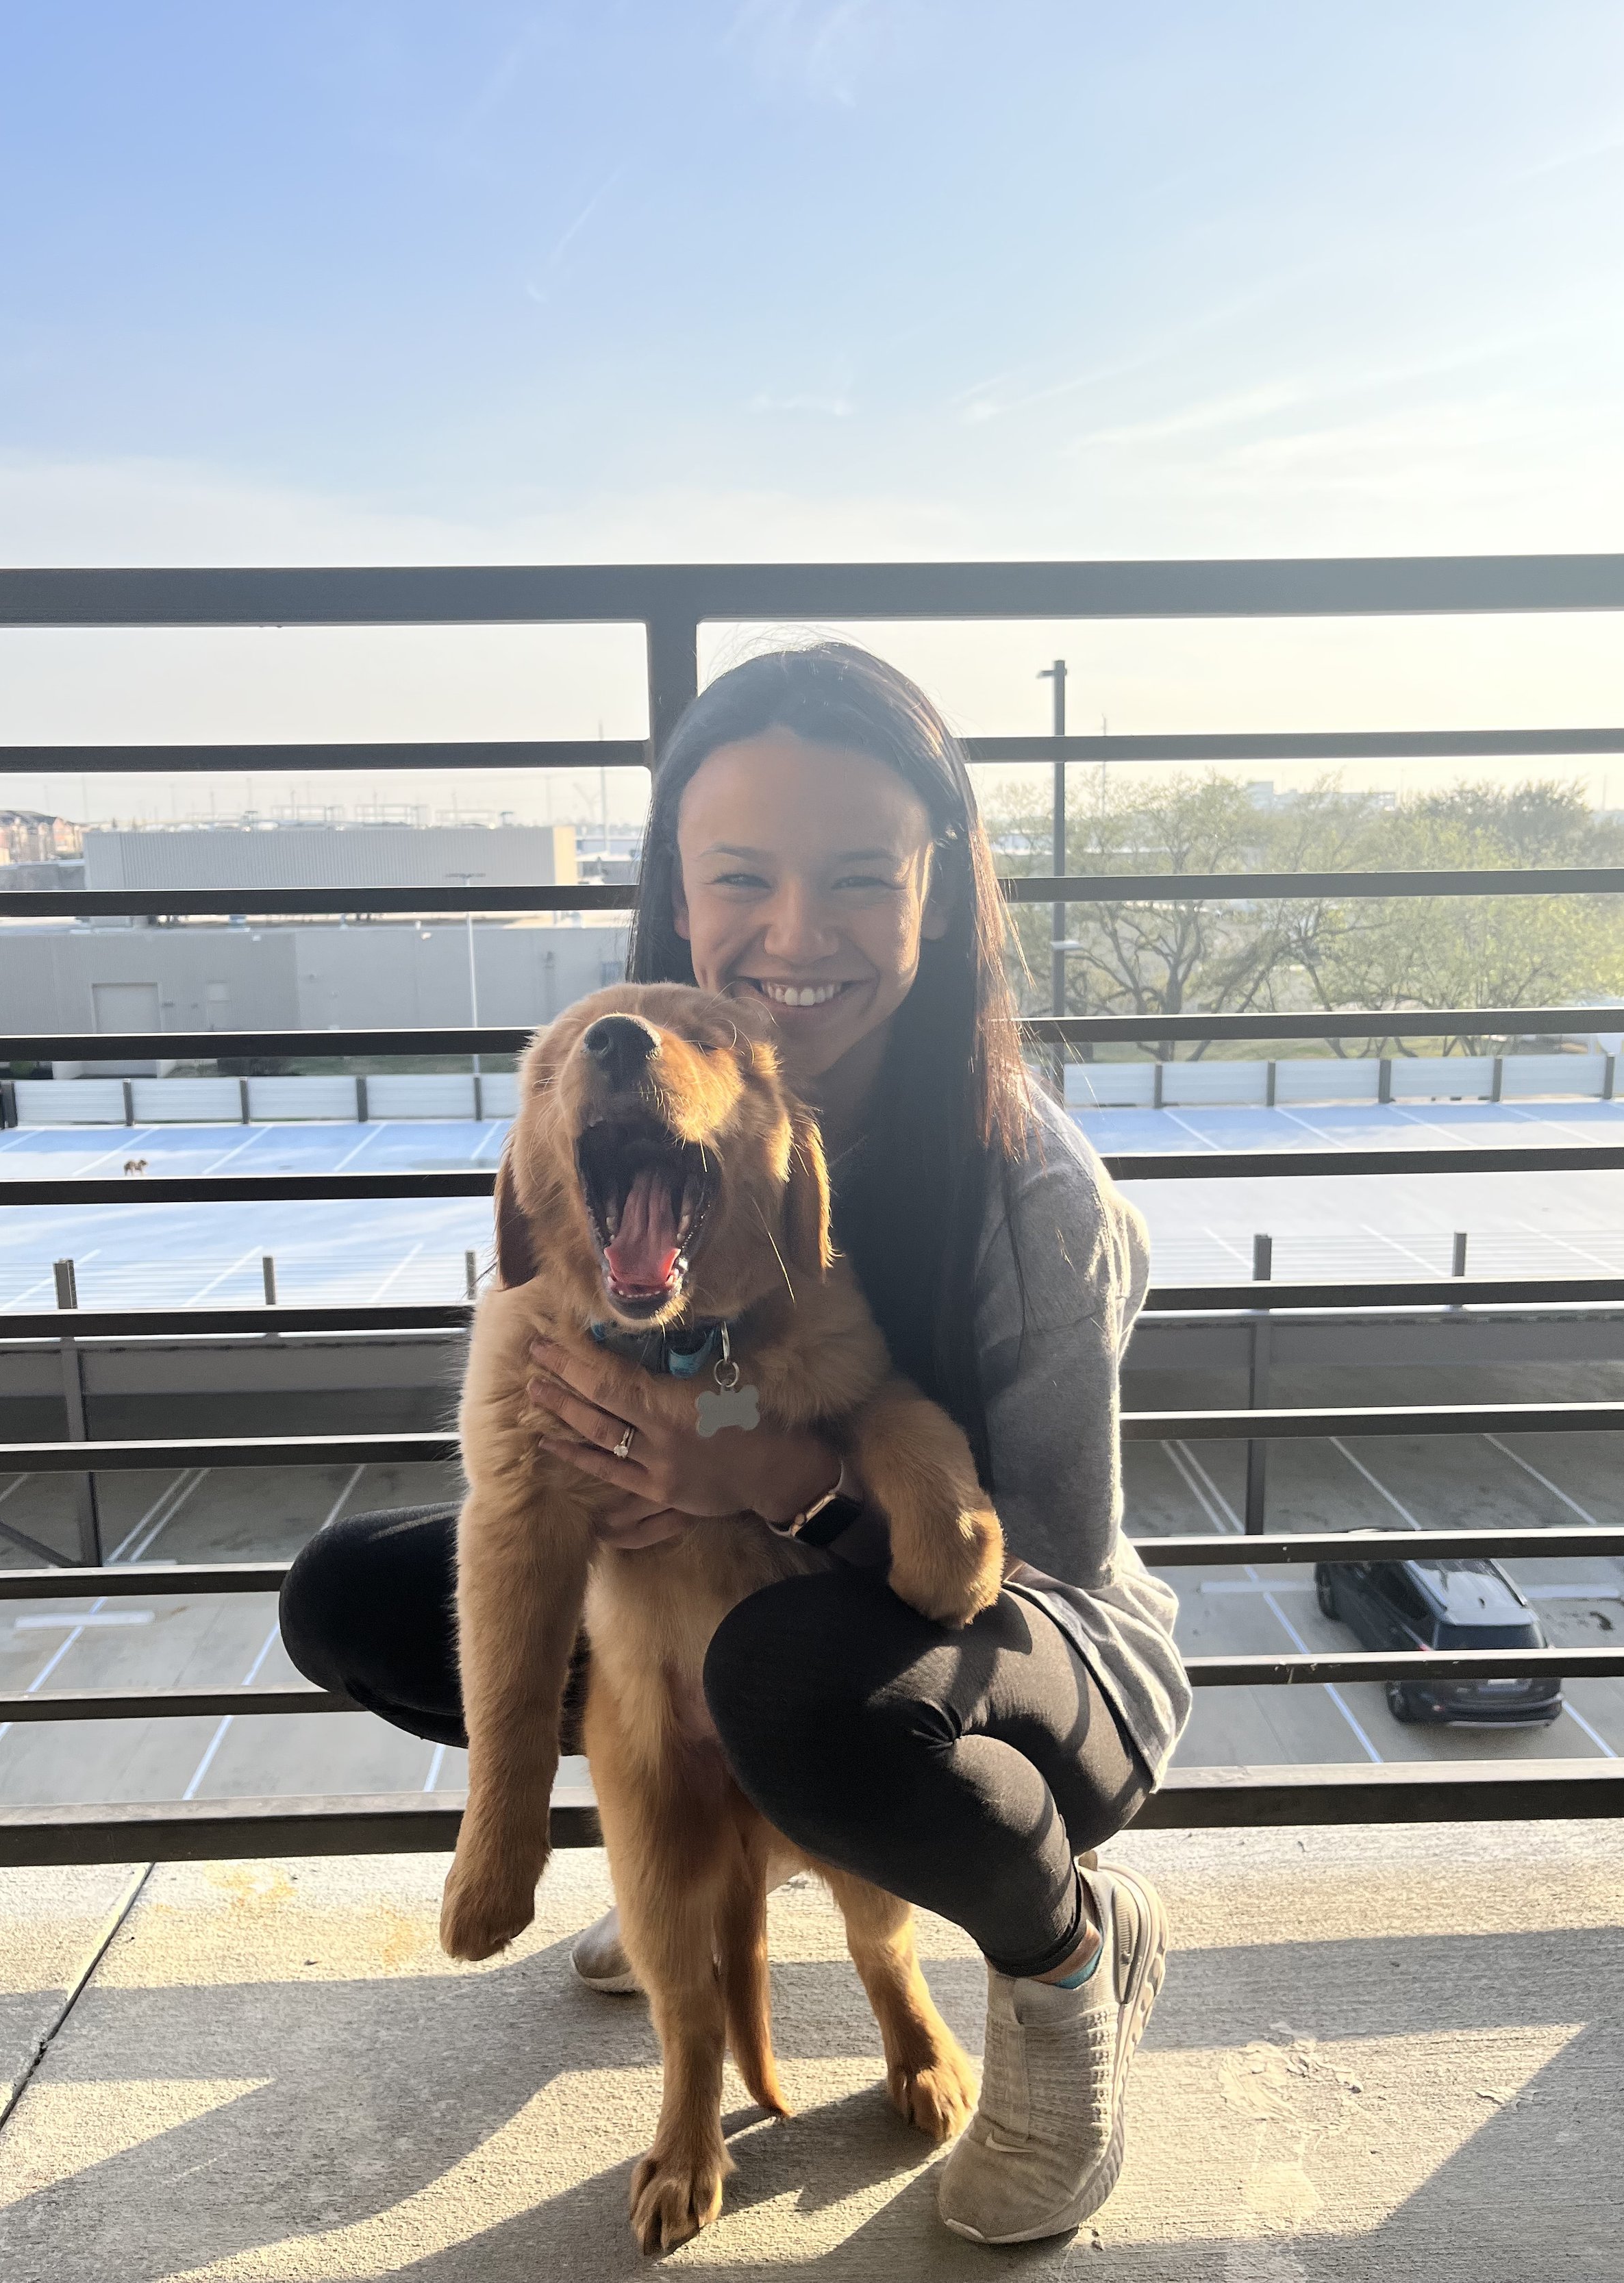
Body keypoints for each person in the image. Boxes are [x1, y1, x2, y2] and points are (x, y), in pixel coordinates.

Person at [279, 643, 1190, 2245]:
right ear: (679, 890)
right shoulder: (622, 1081)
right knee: (355, 1591)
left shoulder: (1036, 1197)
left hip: (1042, 1645)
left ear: (940, 887)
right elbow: (525, 1485)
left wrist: (764, 1471)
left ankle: (1063, 1959)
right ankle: (711, 1864)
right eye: (740, 877)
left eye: (856, 878)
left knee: (785, 1683)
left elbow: (1030, 1566)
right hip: (727, 1605)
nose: (795, 933)